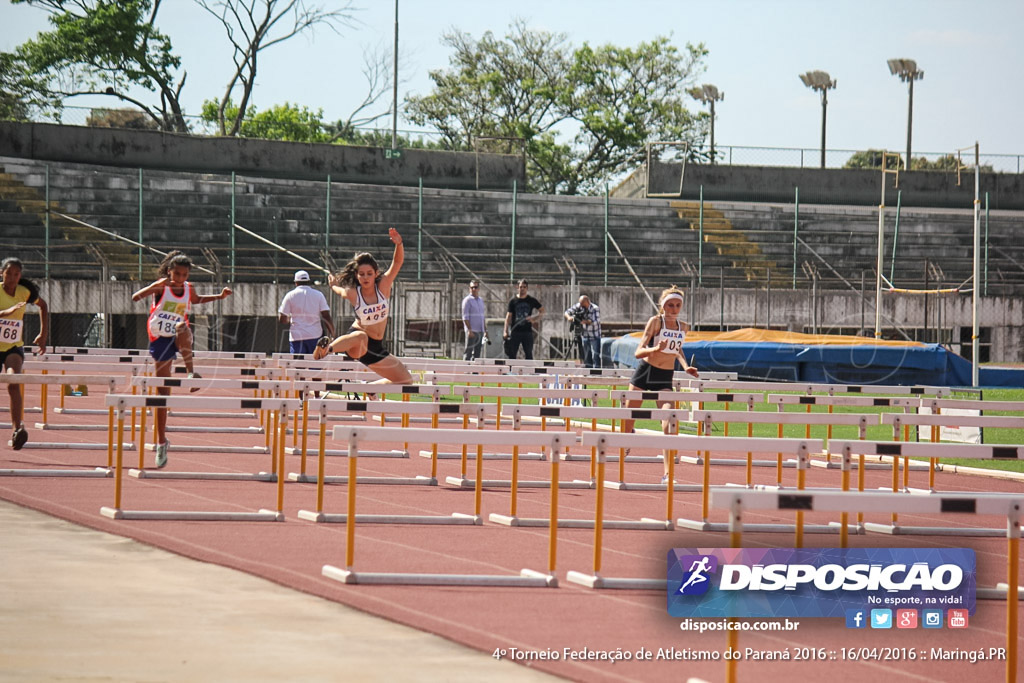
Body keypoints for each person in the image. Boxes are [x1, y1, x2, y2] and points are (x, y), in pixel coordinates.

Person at [132, 251, 232, 468]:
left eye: (184, 274)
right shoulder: (162, 285)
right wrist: (154, 288)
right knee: (162, 395)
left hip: (179, 336)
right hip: (159, 338)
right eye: (176, 274)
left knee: (182, 326)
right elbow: (135, 297)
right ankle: (161, 442)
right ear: (169, 272)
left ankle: (190, 372)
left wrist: (219, 296)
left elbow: (196, 300)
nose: (180, 278)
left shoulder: (188, 287)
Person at [313, 228, 414, 385]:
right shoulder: (354, 293)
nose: (365, 277)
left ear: (376, 273)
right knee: (361, 336)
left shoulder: (384, 286)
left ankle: (370, 388)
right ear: (356, 276)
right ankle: (327, 349)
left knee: (406, 380)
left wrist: (399, 244)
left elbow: (397, 263)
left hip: (376, 347)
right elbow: (340, 291)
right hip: (356, 343)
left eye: (369, 273)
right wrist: (333, 285)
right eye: (361, 274)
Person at [621, 287, 699, 483]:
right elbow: (638, 352)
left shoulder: (683, 327)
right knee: (628, 420)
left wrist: (686, 367)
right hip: (645, 372)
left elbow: (678, 350)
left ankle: (667, 474)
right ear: (662, 306)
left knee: (669, 422)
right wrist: (656, 348)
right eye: (670, 305)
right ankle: (628, 435)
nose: (674, 309)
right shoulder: (655, 322)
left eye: (677, 305)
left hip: (664, 376)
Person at [0, 257, 48, 450]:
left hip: (13, 346)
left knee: (14, 383)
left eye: (16, 274)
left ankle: (17, 429)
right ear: (2, 273)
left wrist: (43, 335)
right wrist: (6, 312)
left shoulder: (24, 292)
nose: (12, 277)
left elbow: (43, 306)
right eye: (9, 273)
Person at [279, 270, 335, 355]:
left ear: (296, 282)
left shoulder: (290, 295)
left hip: (297, 336)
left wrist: (289, 319)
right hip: (315, 336)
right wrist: (332, 333)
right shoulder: (318, 295)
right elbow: (326, 316)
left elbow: (282, 318)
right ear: (308, 281)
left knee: (297, 365)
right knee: (315, 364)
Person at [503, 279, 543, 360]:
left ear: (527, 288)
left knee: (528, 354)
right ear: (517, 288)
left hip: (527, 331)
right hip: (515, 331)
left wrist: (534, 319)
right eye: (521, 287)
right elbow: (508, 317)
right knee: (512, 354)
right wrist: (505, 331)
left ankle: (529, 371)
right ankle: (511, 371)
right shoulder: (513, 301)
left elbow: (542, 311)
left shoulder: (531, 300)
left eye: (524, 287)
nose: (522, 289)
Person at [563, 295, 602, 368]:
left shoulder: (595, 308)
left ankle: (597, 372)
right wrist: (569, 317)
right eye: (580, 304)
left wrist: (585, 322)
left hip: (594, 335)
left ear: (587, 302)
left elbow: (596, 321)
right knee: (587, 355)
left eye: (583, 304)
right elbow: (567, 312)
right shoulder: (579, 306)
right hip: (585, 335)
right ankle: (588, 371)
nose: (581, 306)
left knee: (595, 355)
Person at [461, 279, 487, 361]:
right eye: (472, 287)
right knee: (468, 352)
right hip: (472, 331)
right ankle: (465, 370)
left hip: (480, 331)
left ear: (478, 289)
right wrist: (469, 330)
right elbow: (465, 317)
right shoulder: (467, 300)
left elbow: (482, 316)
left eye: (475, 287)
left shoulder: (481, 300)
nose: (473, 289)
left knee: (477, 353)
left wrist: (485, 330)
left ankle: (475, 372)